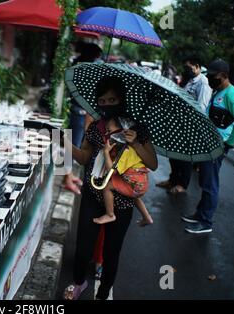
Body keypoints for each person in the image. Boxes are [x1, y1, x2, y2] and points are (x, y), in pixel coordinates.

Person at [63, 76, 158, 300]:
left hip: (122, 201)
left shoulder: (136, 129)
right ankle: (78, 283)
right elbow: (84, 158)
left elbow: (152, 164)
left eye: (112, 99)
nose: (107, 104)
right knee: (83, 246)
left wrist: (135, 142)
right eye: (102, 101)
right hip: (92, 193)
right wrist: (63, 144)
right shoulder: (96, 127)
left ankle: (103, 294)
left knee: (111, 252)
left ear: (121, 100)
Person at [182, 59, 234, 234]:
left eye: (212, 76)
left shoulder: (231, 94)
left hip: (218, 146)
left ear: (223, 76)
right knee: (204, 180)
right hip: (209, 143)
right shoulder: (218, 91)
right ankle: (200, 214)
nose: (208, 78)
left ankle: (205, 222)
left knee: (210, 183)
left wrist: (230, 143)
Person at [157, 56, 212, 194]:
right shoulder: (189, 80)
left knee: (185, 156)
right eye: (186, 68)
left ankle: (182, 184)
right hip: (179, 122)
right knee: (174, 154)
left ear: (198, 66)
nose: (187, 70)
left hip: (190, 125)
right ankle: (173, 180)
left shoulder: (203, 83)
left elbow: (201, 107)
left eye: (189, 68)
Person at [94, 117, 152, 226]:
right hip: (141, 183)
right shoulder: (131, 148)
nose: (107, 134)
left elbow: (112, 171)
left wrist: (106, 152)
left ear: (121, 133)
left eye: (109, 131)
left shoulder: (124, 151)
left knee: (107, 187)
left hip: (134, 184)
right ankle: (147, 217)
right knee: (134, 196)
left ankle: (110, 214)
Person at [64, 41, 103, 194]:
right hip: (79, 112)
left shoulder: (77, 65)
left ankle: (69, 175)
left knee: (70, 144)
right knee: (71, 146)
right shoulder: (87, 70)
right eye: (97, 56)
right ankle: (66, 179)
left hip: (75, 110)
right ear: (93, 56)